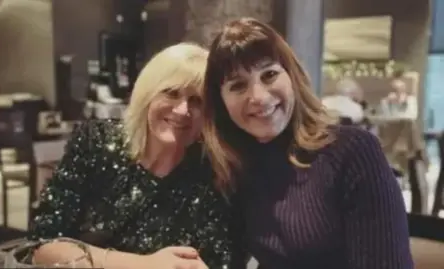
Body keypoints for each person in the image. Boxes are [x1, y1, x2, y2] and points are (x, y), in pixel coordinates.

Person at [202, 18, 413, 269]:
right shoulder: (237, 166)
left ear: (292, 76)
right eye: (238, 85)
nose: (258, 97)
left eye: (269, 74)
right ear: (221, 102)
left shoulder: (353, 152)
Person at [28, 43, 239, 269]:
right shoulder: (97, 143)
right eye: (171, 93)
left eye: (196, 101)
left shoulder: (212, 173)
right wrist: (142, 264)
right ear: (148, 93)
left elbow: (220, 260)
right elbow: (43, 245)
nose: (182, 110)